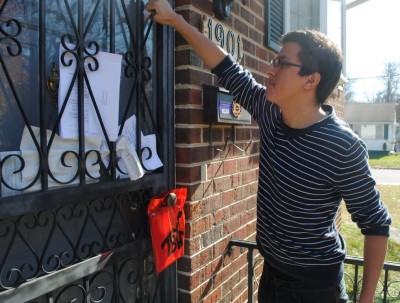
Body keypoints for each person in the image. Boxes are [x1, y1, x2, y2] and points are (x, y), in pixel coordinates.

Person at [144, 1, 392, 302]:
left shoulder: (342, 146)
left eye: (281, 63)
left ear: (311, 80)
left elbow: (376, 224)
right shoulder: (271, 112)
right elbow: (226, 67)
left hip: (316, 289)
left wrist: (365, 300)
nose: (269, 68)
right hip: (272, 276)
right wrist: (175, 20)